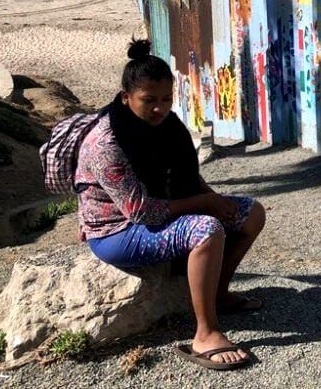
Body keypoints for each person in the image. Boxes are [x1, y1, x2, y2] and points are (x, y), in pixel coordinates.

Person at [74, 39, 265, 370]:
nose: (159, 108)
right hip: (116, 230)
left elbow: (186, 176)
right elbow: (141, 212)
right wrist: (205, 204)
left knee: (250, 214)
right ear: (125, 98)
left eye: (166, 99)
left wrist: (213, 198)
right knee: (207, 229)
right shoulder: (106, 145)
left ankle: (218, 293)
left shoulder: (166, 126)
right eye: (148, 101)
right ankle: (205, 334)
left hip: (160, 209)